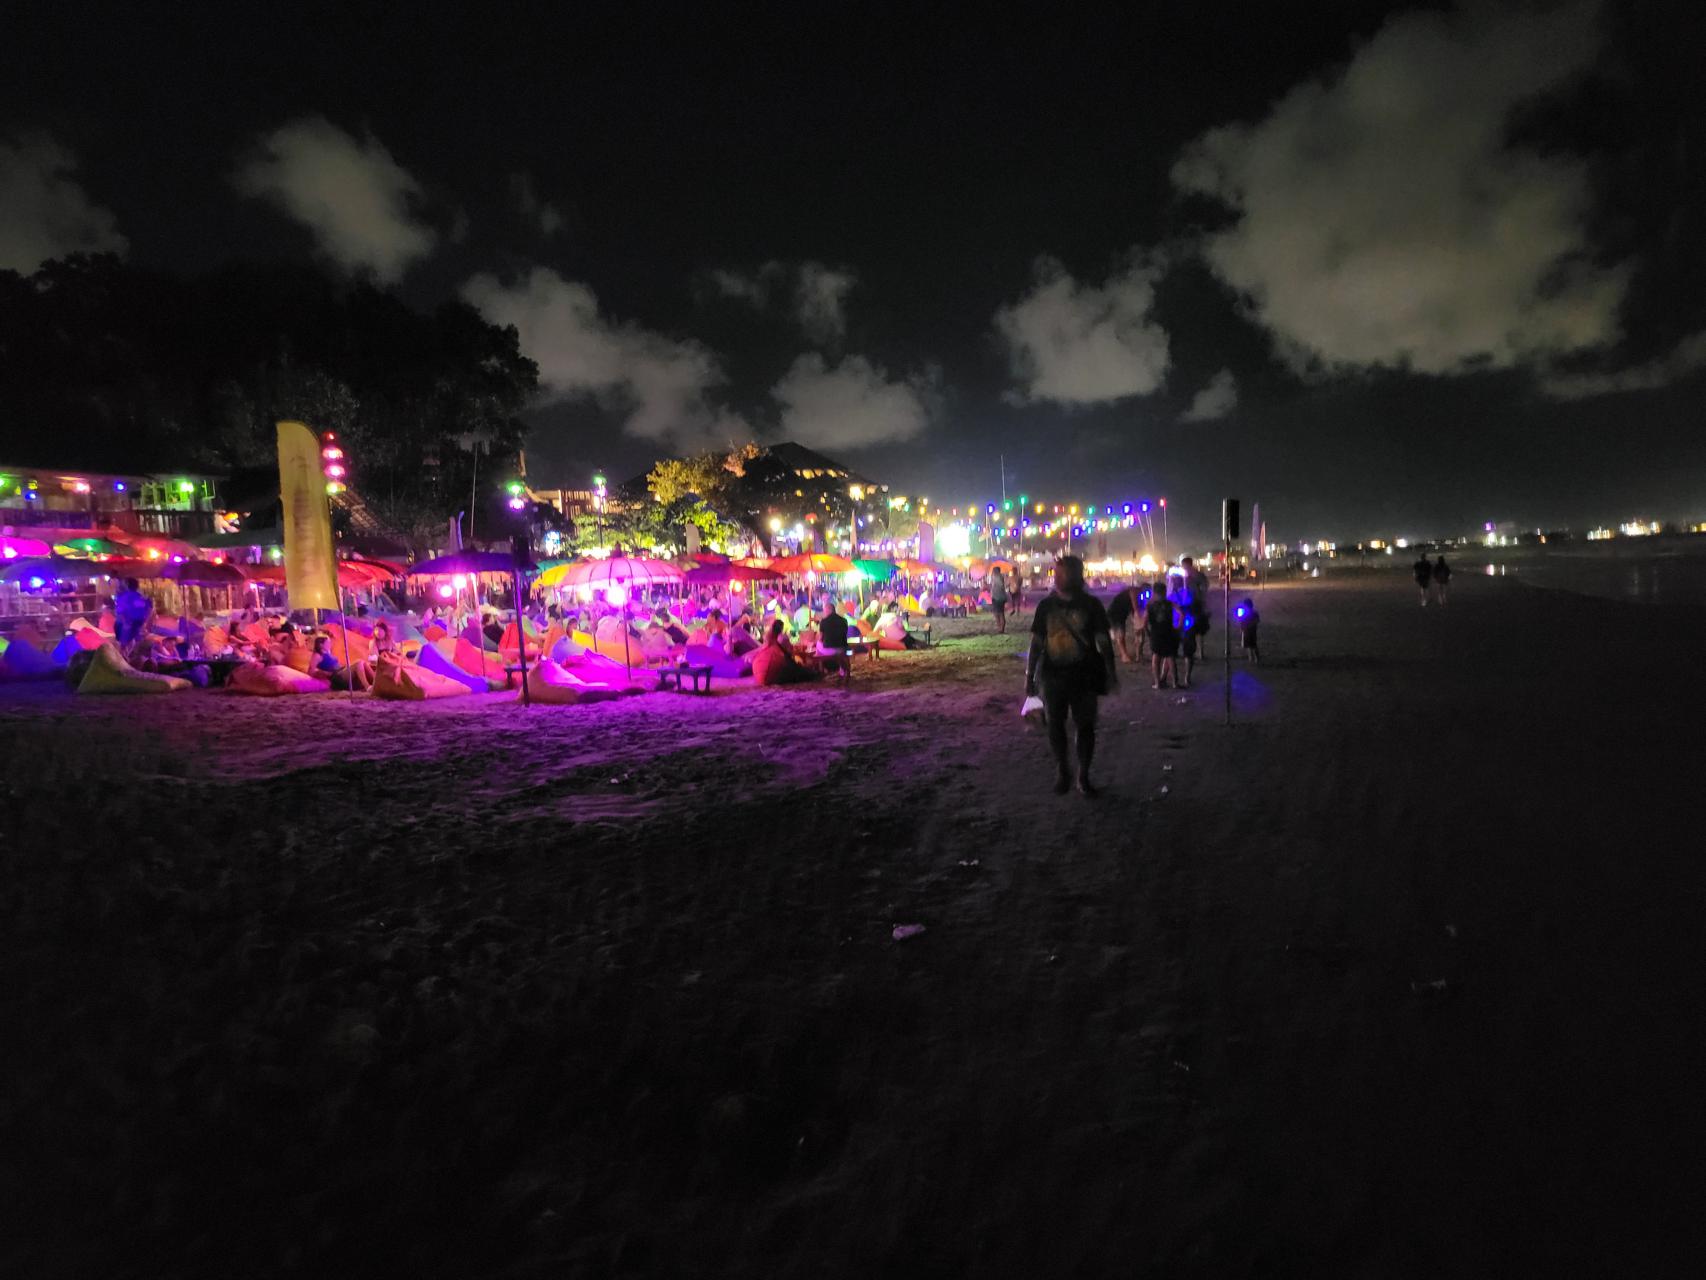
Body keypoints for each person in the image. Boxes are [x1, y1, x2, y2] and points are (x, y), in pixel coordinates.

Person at [1026, 555, 1117, 796]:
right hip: (1052, 677)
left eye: (1062, 573)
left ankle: (1083, 775)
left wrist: (1111, 671)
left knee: (1085, 727)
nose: (1056, 577)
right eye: (1056, 572)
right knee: (1054, 725)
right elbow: (1036, 642)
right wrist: (1029, 677)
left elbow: (1103, 641)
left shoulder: (1092, 605)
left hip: (1084, 676)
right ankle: (1062, 768)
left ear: (1076, 576)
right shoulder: (1046, 606)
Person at [752, 618, 820, 686]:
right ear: (781, 628)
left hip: (761, 671)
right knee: (798, 671)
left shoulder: (769, 639)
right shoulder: (781, 638)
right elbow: (788, 654)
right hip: (774, 669)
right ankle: (813, 674)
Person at [1144, 583, 1178, 689]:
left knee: (1156, 657)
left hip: (1155, 633)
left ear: (1154, 592)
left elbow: (1144, 622)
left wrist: (1147, 632)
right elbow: (1181, 613)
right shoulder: (1170, 604)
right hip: (1169, 632)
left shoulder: (1150, 605)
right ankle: (1174, 683)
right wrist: (1178, 626)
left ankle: (1157, 683)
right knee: (1170, 657)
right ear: (1165, 591)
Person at [112, 578, 153, 657]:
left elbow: (119, 612)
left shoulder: (123, 598)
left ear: (127, 585)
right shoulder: (141, 598)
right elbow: (149, 609)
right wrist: (144, 622)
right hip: (138, 625)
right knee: (136, 648)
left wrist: (126, 623)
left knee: (124, 647)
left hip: (127, 626)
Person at [1107, 583, 1147, 665]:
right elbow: (1135, 608)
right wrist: (1139, 620)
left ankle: (1136, 654)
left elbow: (1134, 610)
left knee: (1122, 633)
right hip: (1114, 614)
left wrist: (1137, 622)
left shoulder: (1138, 594)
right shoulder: (1133, 591)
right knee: (1120, 634)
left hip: (1121, 614)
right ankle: (1124, 655)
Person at [816, 600, 852, 681]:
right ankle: (843, 670)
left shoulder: (824, 621)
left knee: (818, 643)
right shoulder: (844, 620)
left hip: (830, 650)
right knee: (841, 651)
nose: (824, 612)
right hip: (843, 648)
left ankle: (820, 667)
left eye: (824, 610)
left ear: (828, 610)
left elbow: (821, 638)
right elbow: (844, 634)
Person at [1236, 598, 1261, 663]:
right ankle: (1252, 657)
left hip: (1250, 630)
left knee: (1252, 644)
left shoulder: (1253, 613)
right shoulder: (1248, 612)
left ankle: (1255, 657)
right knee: (1249, 645)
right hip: (1248, 630)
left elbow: (1256, 620)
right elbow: (1240, 620)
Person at [989, 567, 1009, 634]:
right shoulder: (998, 577)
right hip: (998, 597)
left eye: (993, 571)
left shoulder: (997, 578)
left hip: (998, 597)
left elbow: (1001, 586)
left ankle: (1001, 628)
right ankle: (1000, 628)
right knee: (998, 613)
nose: (993, 572)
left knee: (999, 613)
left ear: (996, 571)